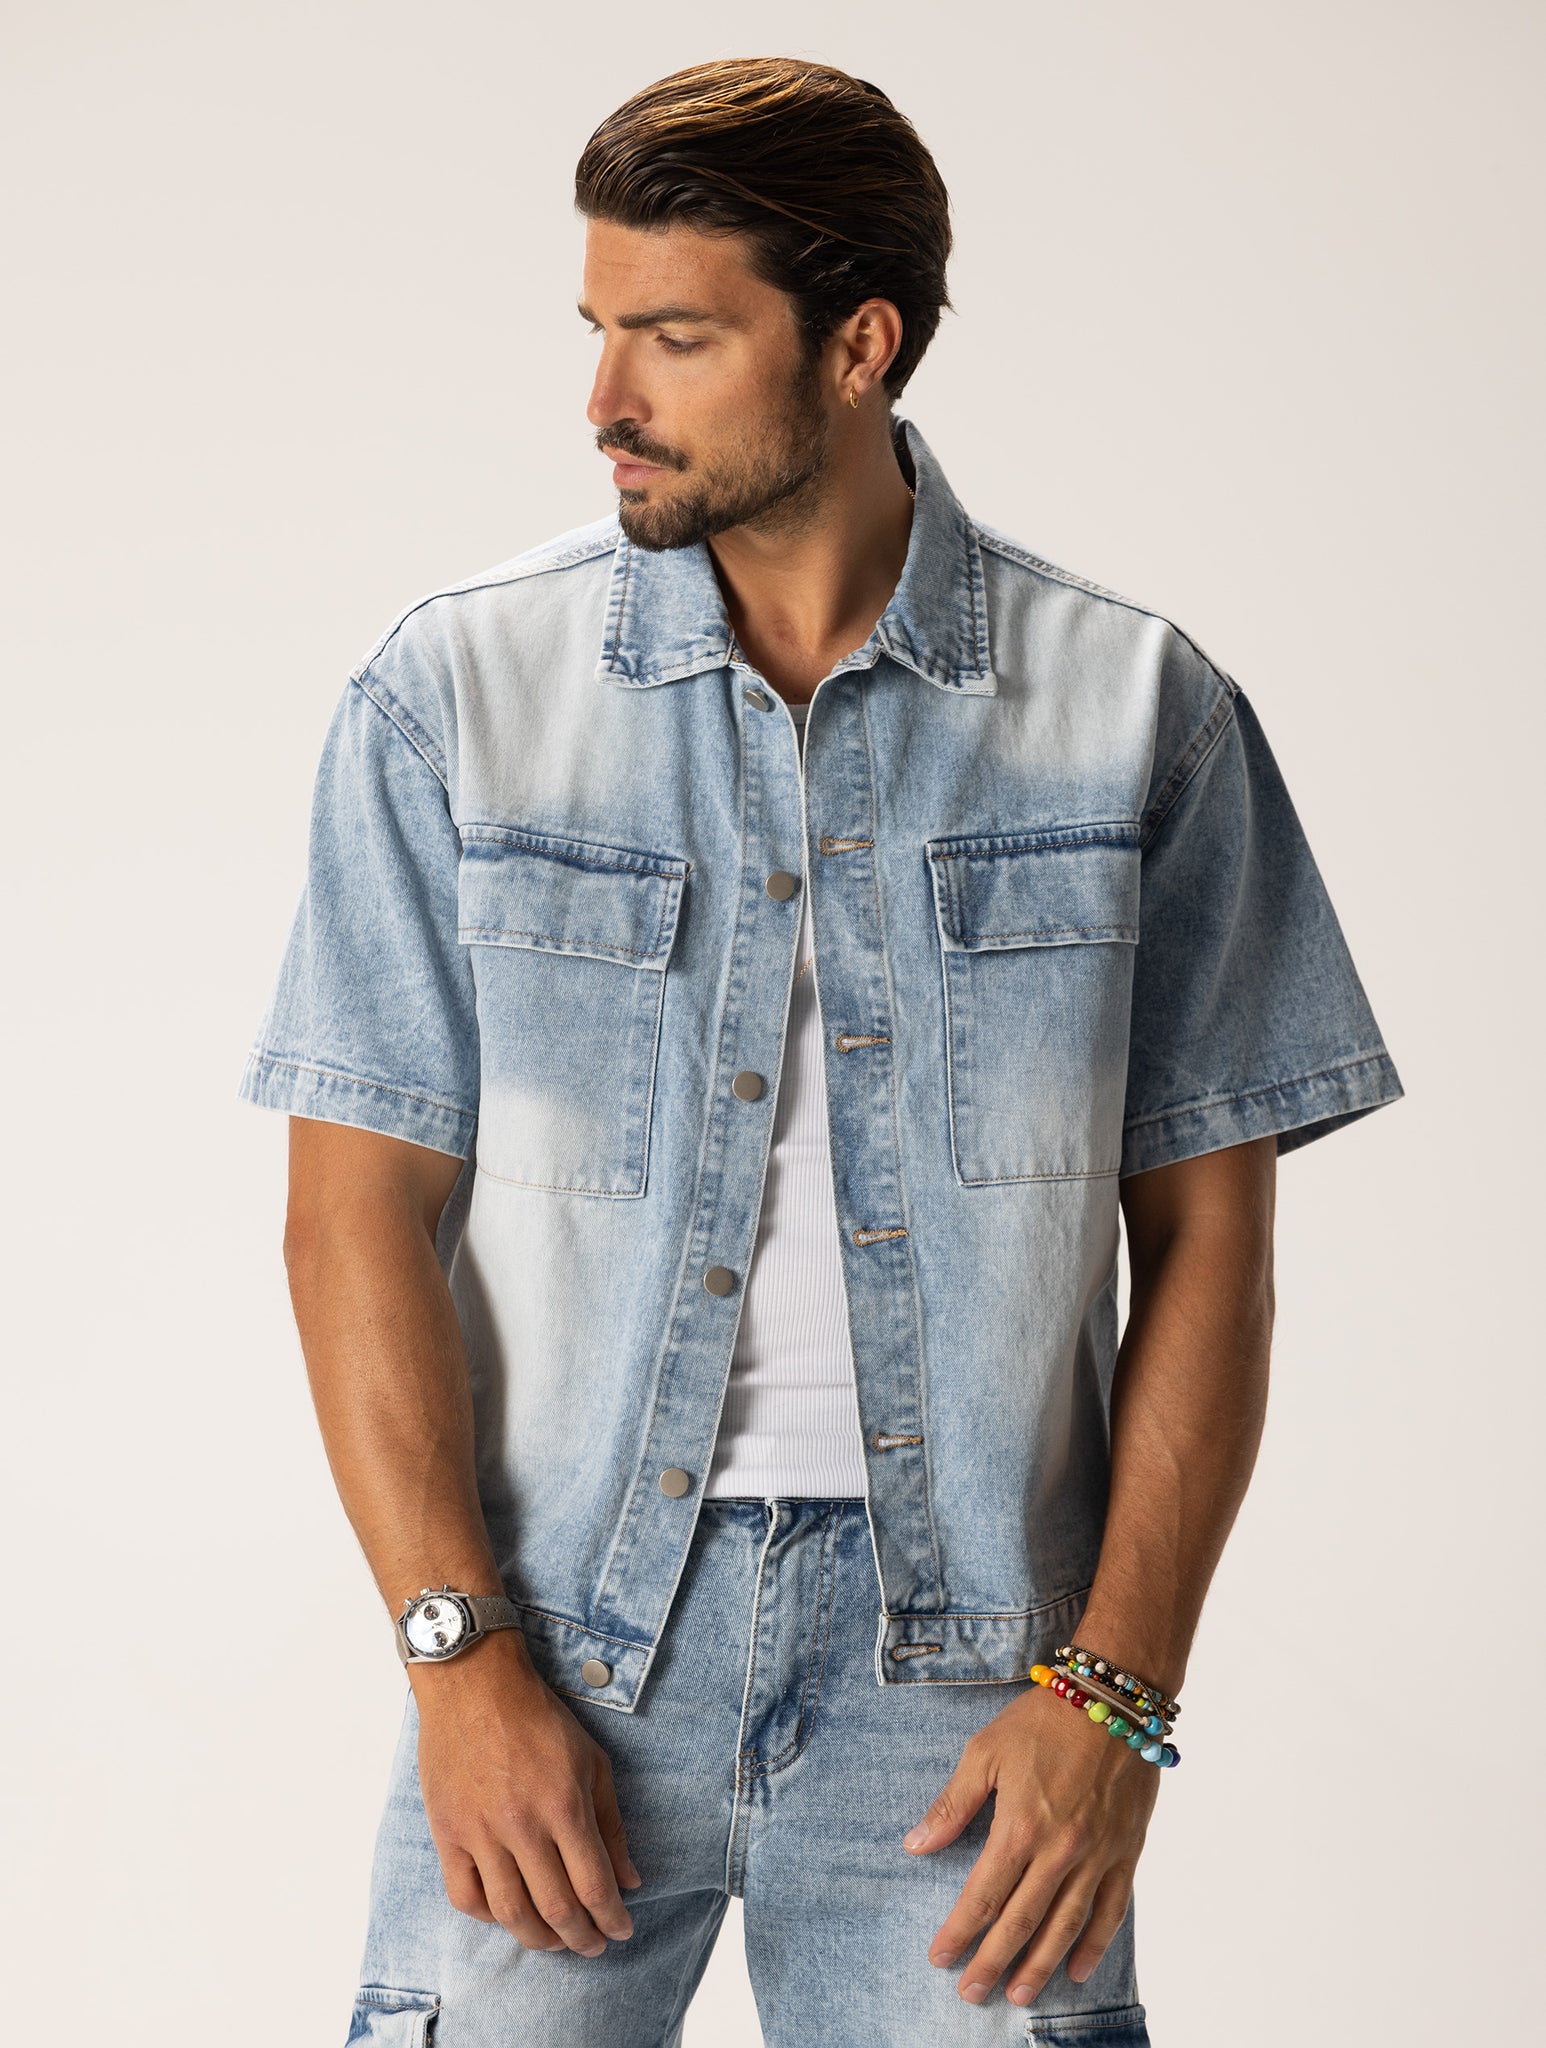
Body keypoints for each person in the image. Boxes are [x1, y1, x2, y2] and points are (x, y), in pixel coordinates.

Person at [241, 56, 1403, 2048]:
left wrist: (1115, 1698)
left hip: (968, 1696)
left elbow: (1211, 1247)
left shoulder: (1137, 712)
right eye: (597, 327)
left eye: (674, 339)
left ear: (856, 345)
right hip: (557, 1653)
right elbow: (352, 1210)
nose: (602, 399)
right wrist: (457, 1662)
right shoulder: (455, 697)